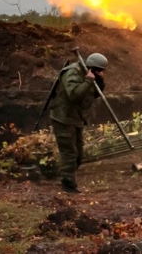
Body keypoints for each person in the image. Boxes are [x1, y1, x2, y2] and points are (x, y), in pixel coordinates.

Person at [49, 52, 108, 193]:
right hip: (63, 117)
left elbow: (94, 94)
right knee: (69, 153)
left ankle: (67, 176)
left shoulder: (89, 74)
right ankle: (68, 185)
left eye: (102, 70)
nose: (100, 72)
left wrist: (99, 81)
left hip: (76, 118)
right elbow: (74, 95)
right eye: (98, 70)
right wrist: (88, 80)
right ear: (90, 67)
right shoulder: (72, 73)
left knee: (79, 154)